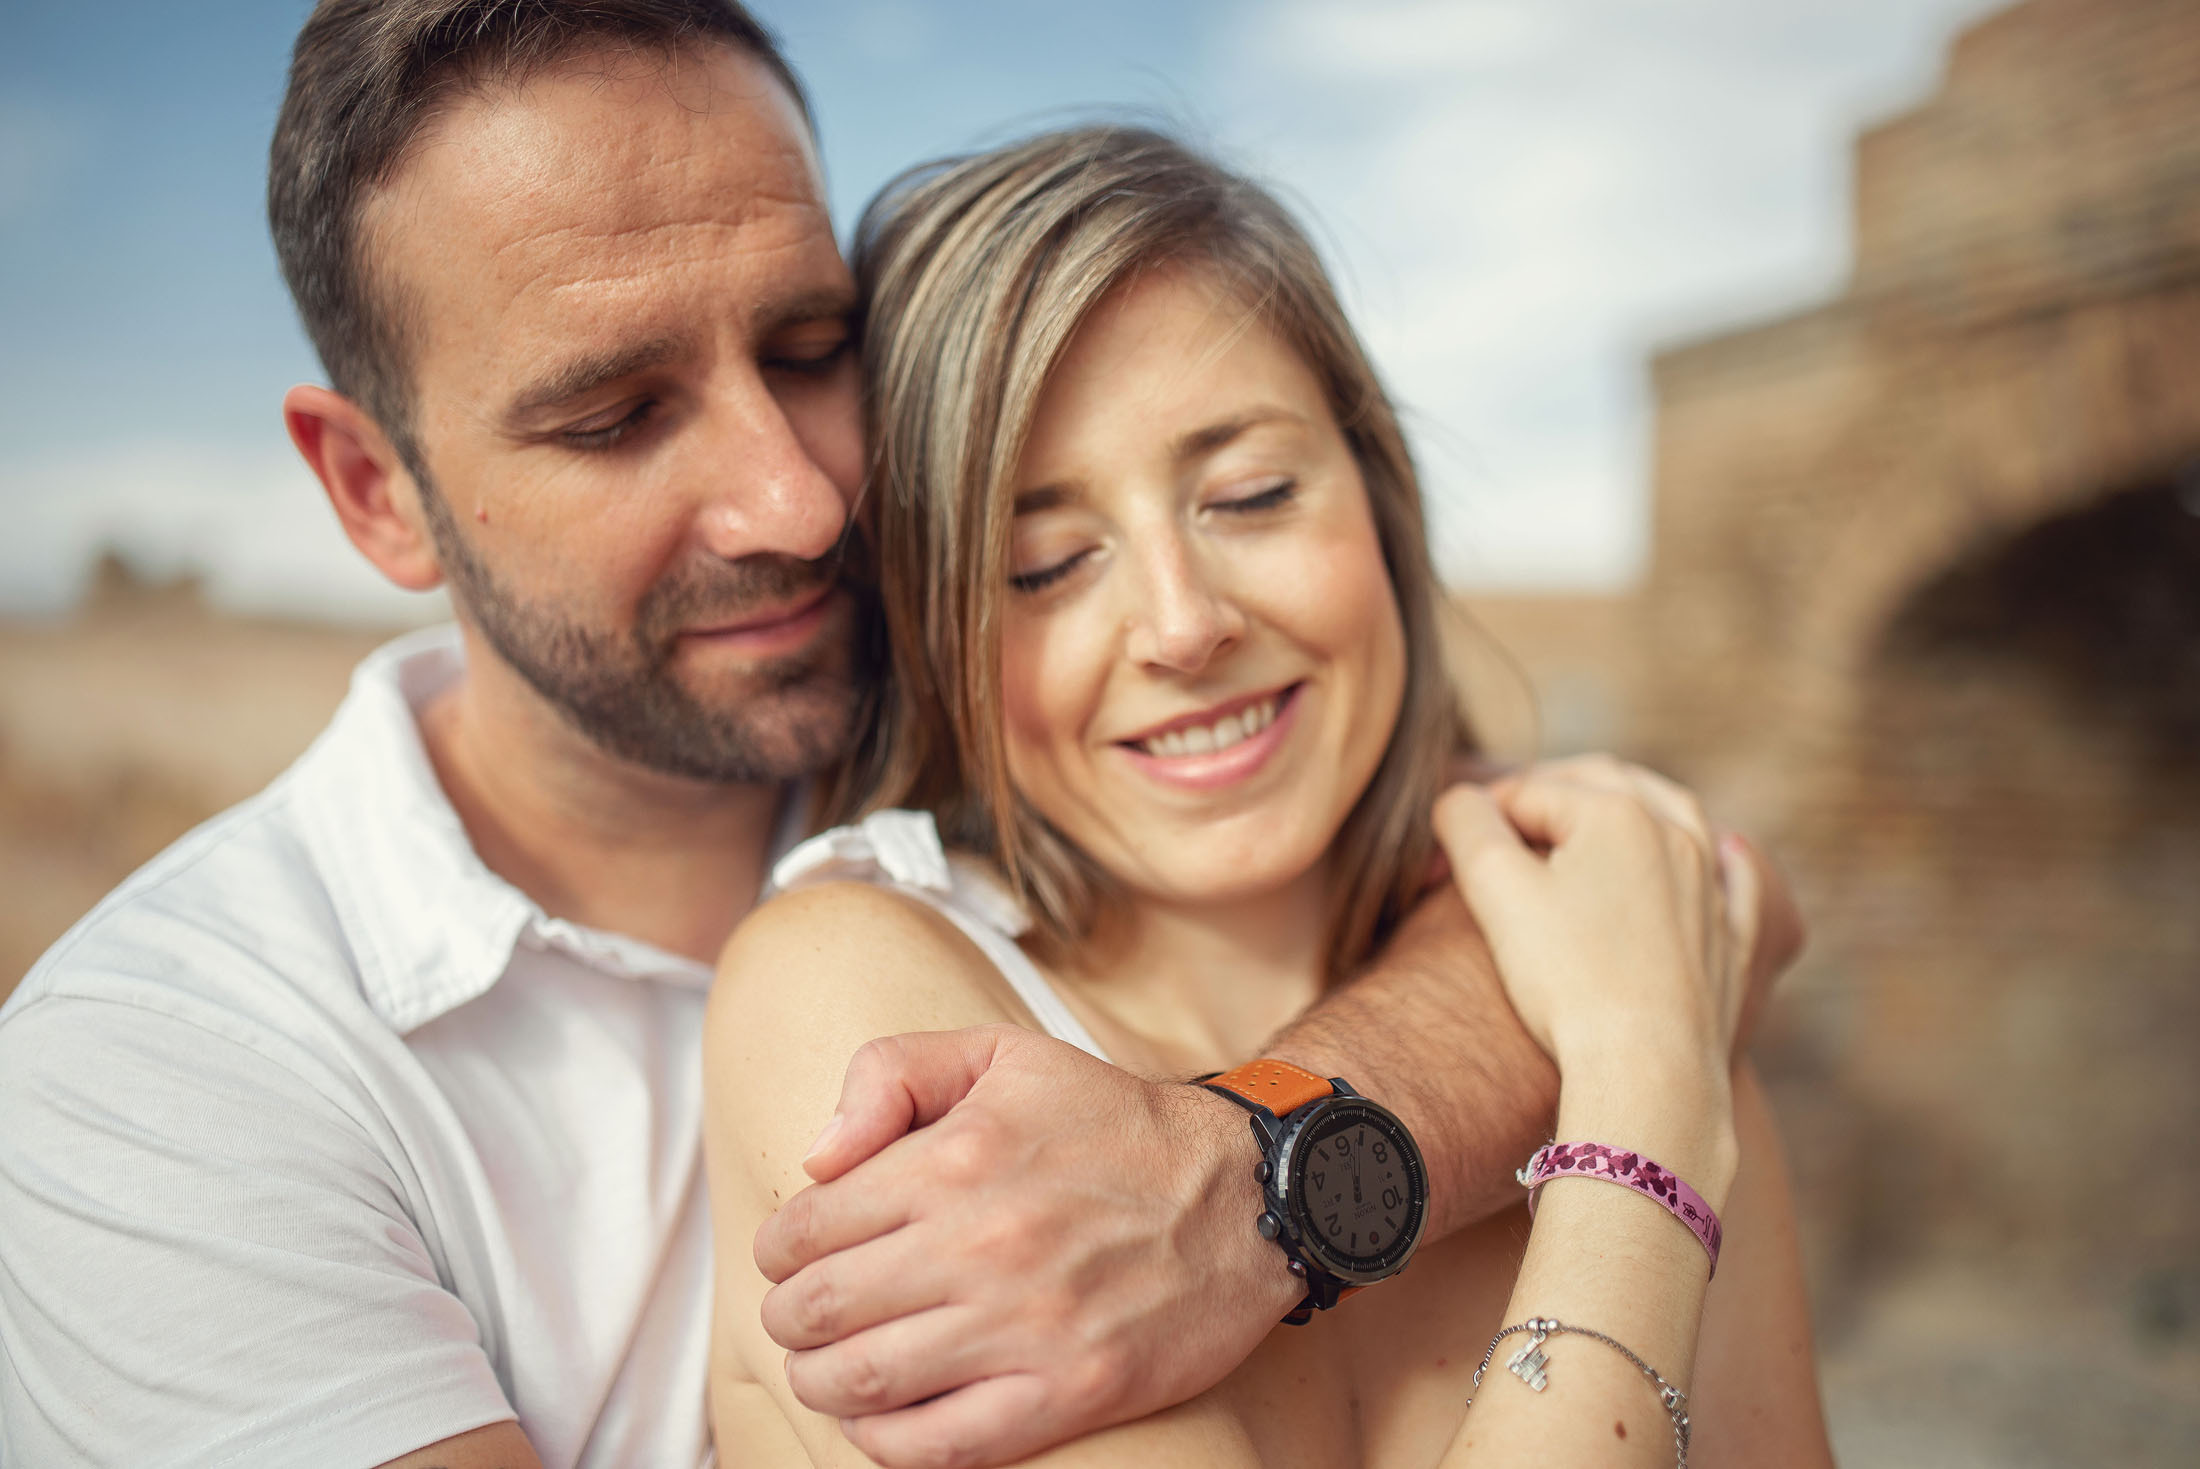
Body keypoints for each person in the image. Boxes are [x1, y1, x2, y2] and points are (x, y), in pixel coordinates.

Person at [0, 5, 1798, 1468]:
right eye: (617, 416)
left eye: (807, 347)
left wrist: (1279, 1150)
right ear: (376, 490)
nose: (795, 499)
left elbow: (1687, 896)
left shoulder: (1144, 820)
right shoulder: (156, 1085)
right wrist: (1642, 1101)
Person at [703, 126, 1831, 1466]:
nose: (1182, 627)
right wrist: (1648, 1112)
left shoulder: (1603, 943)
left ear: (1379, 497)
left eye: (1252, 494)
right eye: (1046, 564)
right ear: (933, 640)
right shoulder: (854, 1013)